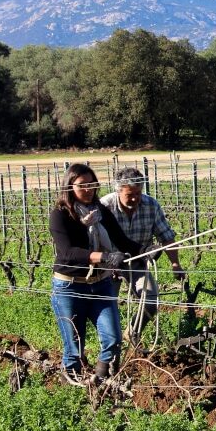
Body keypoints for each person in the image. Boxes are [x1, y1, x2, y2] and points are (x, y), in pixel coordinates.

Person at [49, 163, 141, 384]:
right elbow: (68, 252)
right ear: (69, 187)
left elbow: (121, 240)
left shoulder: (101, 212)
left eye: (92, 185)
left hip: (100, 284)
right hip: (69, 287)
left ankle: (100, 384)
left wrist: (144, 251)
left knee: (113, 339)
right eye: (82, 185)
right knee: (74, 347)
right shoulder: (59, 215)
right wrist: (104, 257)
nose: (88, 189)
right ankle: (70, 389)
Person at [100, 167, 185, 345]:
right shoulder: (105, 207)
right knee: (108, 307)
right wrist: (108, 262)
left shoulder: (151, 205)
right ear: (118, 191)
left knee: (151, 301)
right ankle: (110, 345)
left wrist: (175, 264)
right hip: (108, 264)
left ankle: (132, 333)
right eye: (130, 194)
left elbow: (167, 237)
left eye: (138, 193)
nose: (135, 199)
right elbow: (93, 241)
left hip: (138, 261)